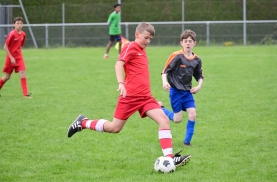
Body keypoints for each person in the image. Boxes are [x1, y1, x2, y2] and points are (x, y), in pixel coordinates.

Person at [67, 22, 191, 167]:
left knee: (164, 120)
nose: (148, 41)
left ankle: (170, 158)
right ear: (136, 34)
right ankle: (83, 122)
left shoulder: (142, 50)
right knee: (115, 128)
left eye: (150, 39)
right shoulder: (131, 46)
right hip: (130, 96)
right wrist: (121, 83)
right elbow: (118, 64)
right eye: (146, 38)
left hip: (145, 97)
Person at [159, 29, 204, 146]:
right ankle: (161, 109)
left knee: (193, 114)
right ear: (181, 43)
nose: (188, 43)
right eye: (185, 41)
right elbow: (164, 71)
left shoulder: (197, 60)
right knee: (177, 119)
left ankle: (187, 142)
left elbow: (200, 76)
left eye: (190, 41)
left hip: (187, 92)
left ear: (194, 43)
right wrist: (165, 82)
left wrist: (198, 86)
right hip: (175, 92)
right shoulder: (176, 56)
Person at [0, 17, 32, 98]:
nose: (19, 25)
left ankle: (26, 94)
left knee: (23, 73)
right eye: (17, 23)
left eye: (21, 23)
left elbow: (20, 45)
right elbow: (5, 46)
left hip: (19, 58)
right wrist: (11, 57)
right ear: (13, 24)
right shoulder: (12, 34)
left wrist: (17, 55)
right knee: (7, 77)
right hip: (10, 58)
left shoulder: (23, 34)